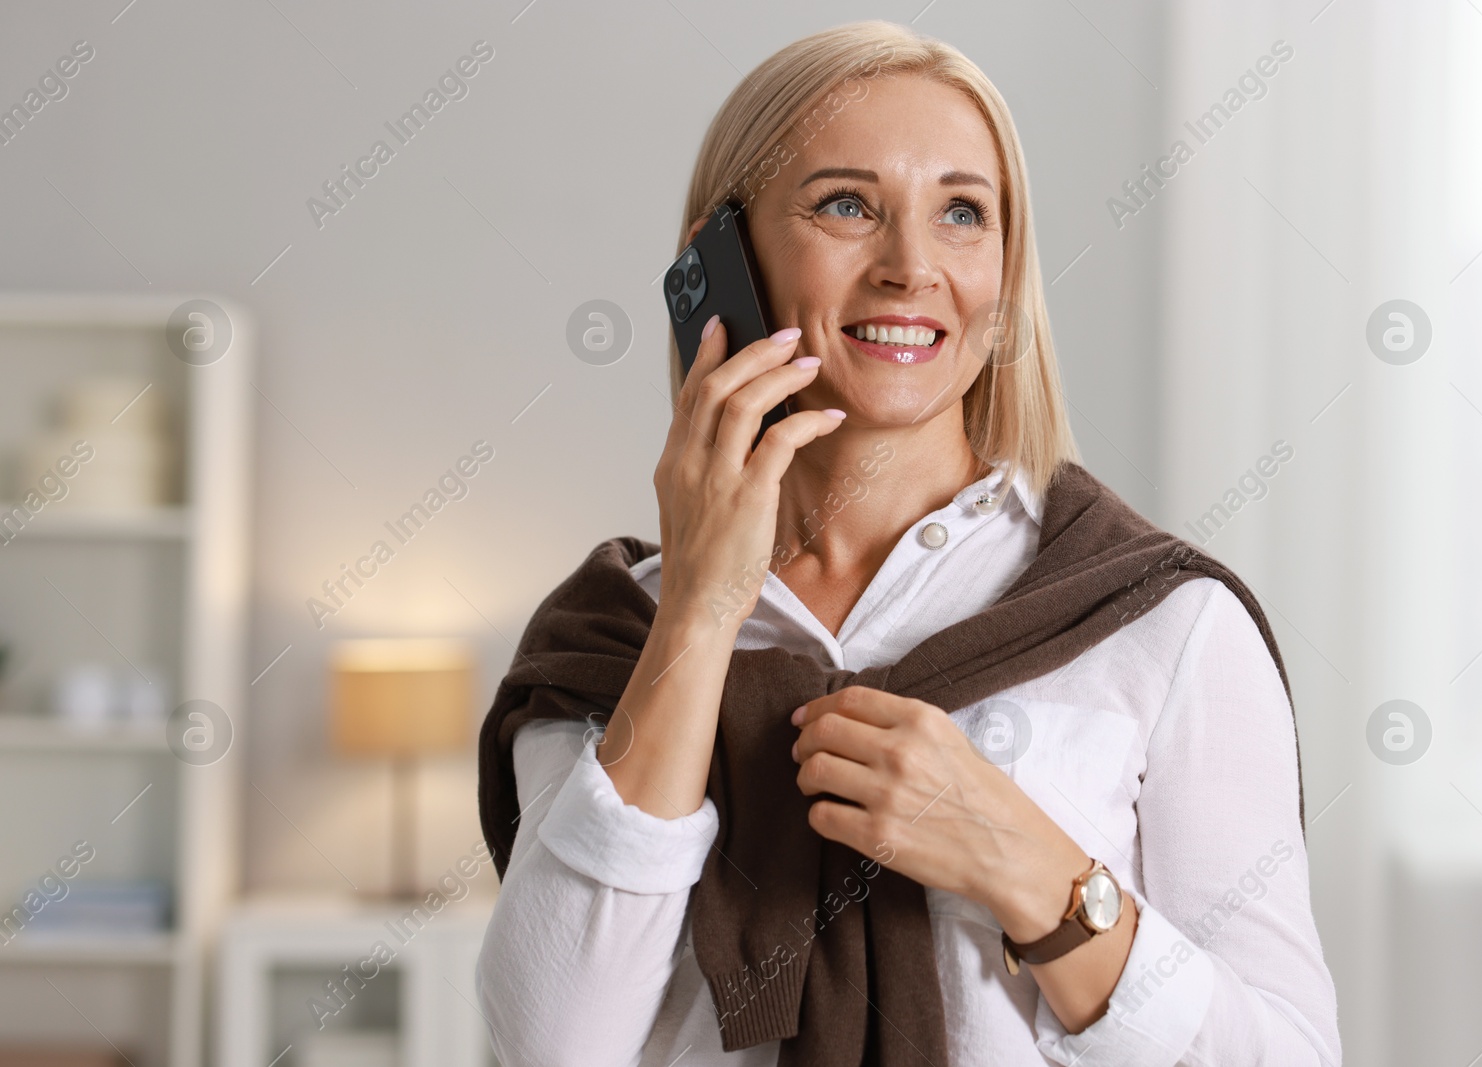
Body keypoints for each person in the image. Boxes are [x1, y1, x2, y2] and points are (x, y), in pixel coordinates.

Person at [476, 20, 1340, 1067]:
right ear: (721, 257)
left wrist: (1030, 869)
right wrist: (701, 611)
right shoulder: (608, 643)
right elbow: (553, 1046)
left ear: (1006, 277)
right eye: (846, 204)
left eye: (963, 214)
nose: (911, 267)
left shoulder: (1161, 621)